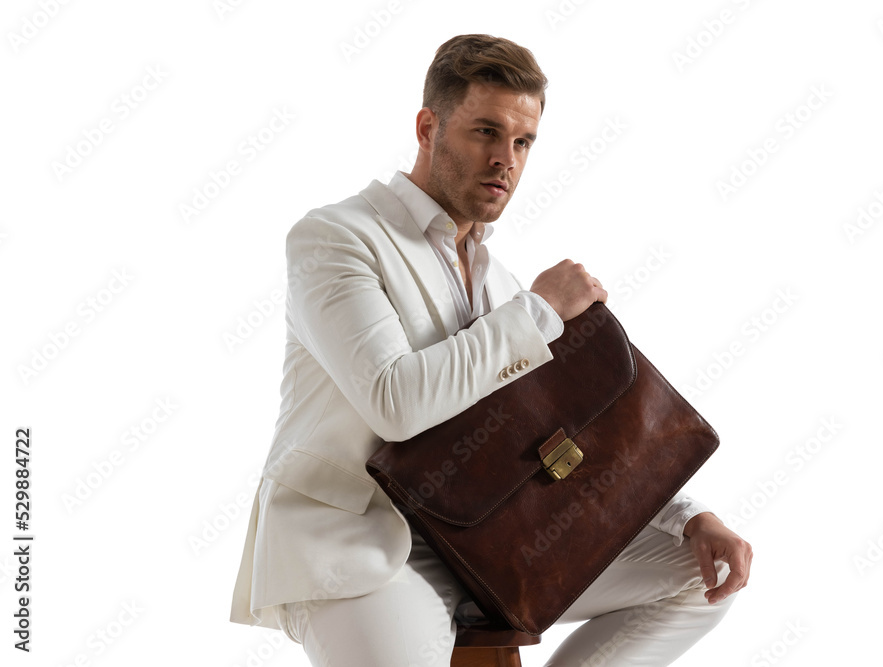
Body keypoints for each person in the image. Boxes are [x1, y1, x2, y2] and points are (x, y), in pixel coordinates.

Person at [230, 33, 752, 666]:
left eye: (523, 141)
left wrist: (688, 517)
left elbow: (573, 434)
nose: (505, 159)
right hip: (365, 544)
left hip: (491, 538)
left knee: (700, 574)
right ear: (428, 128)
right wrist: (539, 311)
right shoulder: (338, 237)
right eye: (485, 132)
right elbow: (395, 401)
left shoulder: (496, 281)